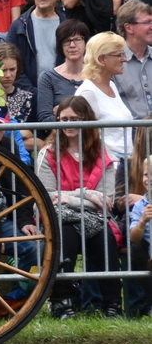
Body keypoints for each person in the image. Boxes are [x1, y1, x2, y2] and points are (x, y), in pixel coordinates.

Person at [39, 96, 119, 319]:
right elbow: (48, 196)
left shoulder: (102, 153)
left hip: (94, 216)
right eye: (64, 119)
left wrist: (69, 197)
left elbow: (106, 200)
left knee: (105, 238)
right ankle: (62, 302)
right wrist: (85, 193)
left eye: (75, 119)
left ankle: (112, 303)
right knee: (64, 232)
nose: (69, 124)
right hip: (58, 216)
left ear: (86, 119)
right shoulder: (48, 153)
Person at [74, 31, 134, 166]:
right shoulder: (88, 92)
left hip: (125, 163)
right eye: (119, 55)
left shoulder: (111, 85)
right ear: (101, 59)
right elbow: (84, 138)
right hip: (107, 167)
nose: (124, 59)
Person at [34, 18, 90, 123]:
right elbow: (44, 118)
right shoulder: (47, 77)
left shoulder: (97, 75)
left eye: (77, 39)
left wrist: (62, 111)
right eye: (67, 41)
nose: (72, 45)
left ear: (86, 43)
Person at [113, 0, 152, 119]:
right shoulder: (113, 61)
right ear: (129, 28)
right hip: (129, 130)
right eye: (147, 22)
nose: (151, 26)